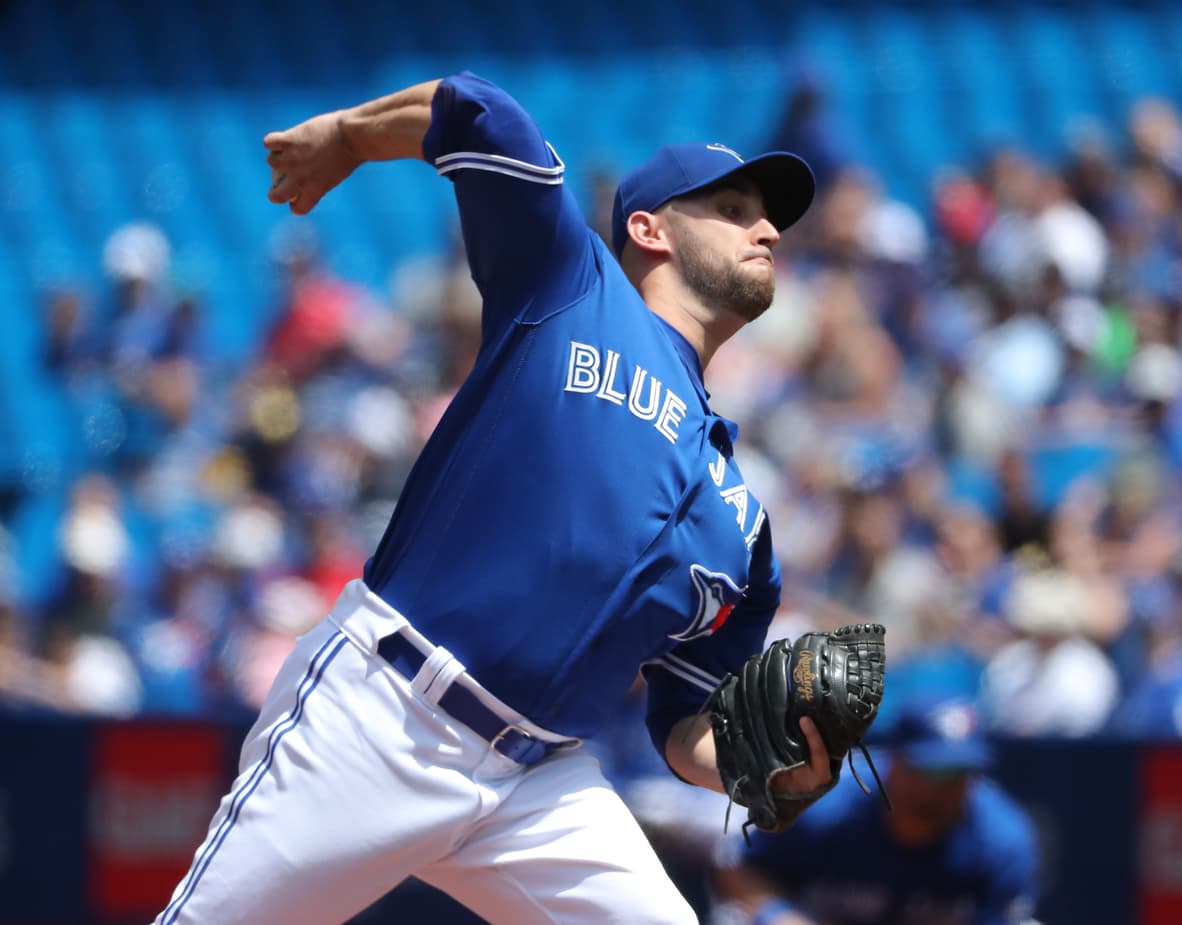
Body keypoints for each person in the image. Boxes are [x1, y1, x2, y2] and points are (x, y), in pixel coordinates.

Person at [155, 70, 834, 925]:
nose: (767, 228)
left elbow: (686, 721)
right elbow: (477, 111)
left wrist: (761, 765)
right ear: (647, 227)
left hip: (539, 786)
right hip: (385, 714)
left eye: (767, 217)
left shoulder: (740, 523)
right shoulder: (575, 289)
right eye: (734, 208)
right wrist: (353, 135)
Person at [712, 696, 1039, 925]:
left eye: (964, 772)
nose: (949, 787)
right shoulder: (824, 804)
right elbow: (737, 867)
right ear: (895, 763)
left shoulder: (1000, 838)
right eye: (937, 771)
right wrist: (782, 919)